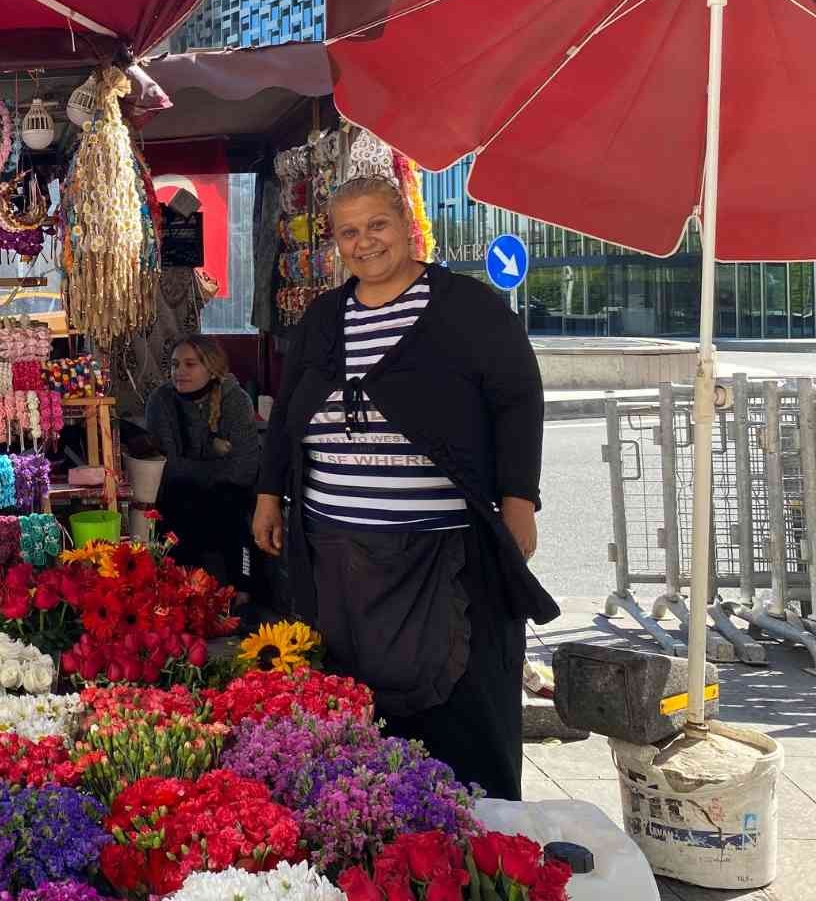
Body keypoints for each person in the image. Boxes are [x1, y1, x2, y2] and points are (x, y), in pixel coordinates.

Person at [252, 175, 558, 801]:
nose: (365, 242)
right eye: (349, 232)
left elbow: (518, 398)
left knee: (459, 711)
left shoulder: (465, 308)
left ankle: (469, 839)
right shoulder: (322, 318)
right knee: (354, 709)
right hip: (335, 551)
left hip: (441, 555)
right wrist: (268, 495)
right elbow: (287, 412)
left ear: (406, 224)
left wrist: (518, 501)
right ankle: (363, 831)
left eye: (377, 225)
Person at [144, 336, 260, 592]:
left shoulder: (235, 400)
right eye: (175, 365)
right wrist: (214, 449)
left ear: (211, 368)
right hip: (177, 502)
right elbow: (166, 468)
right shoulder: (161, 401)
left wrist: (191, 463)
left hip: (227, 504)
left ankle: (237, 592)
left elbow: (244, 470)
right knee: (181, 500)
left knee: (230, 507)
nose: (180, 372)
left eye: (190, 364)